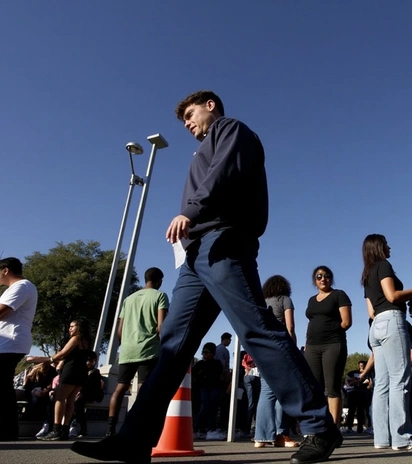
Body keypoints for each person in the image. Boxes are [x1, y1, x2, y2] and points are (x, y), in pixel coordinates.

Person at [71, 90, 342, 464]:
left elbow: (224, 171)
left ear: (210, 106)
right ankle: (133, 440)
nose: (187, 123)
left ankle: (319, 425)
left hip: (223, 240)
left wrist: (192, 211)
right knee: (171, 346)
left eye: (190, 114)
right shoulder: (200, 150)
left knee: (256, 329)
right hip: (196, 255)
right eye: (182, 119)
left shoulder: (231, 130)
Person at [361, 233, 412, 451]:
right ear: (379, 247)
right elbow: (392, 296)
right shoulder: (383, 266)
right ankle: (403, 438)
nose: (389, 247)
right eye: (386, 244)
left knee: (381, 385)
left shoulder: (367, 275)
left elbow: (371, 311)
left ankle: (381, 439)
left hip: (376, 326)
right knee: (400, 380)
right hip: (392, 320)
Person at [107, 267, 169, 437]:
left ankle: (110, 430)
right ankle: (136, 427)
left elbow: (120, 328)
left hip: (127, 349)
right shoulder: (160, 296)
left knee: (120, 387)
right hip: (148, 348)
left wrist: (125, 343)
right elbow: (160, 326)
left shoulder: (129, 299)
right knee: (143, 388)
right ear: (159, 280)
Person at [254, 275, 300, 448]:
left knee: (266, 392)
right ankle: (282, 434)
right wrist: (293, 348)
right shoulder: (285, 300)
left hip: (262, 347)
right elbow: (290, 327)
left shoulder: (262, 301)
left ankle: (261, 436)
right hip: (280, 346)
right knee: (283, 392)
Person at [28, 318, 93, 441]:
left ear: (79, 327)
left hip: (71, 370)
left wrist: (46, 359)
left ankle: (56, 430)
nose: (70, 329)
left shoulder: (76, 338)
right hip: (81, 372)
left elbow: (63, 353)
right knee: (70, 401)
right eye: (69, 326)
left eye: (72, 326)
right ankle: (64, 430)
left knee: (59, 397)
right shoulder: (87, 341)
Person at [304, 265, 352, 425]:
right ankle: (318, 426)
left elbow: (346, 322)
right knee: (315, 388)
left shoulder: (339, 295)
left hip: (333, 345)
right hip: (312, 347)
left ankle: (333, 428)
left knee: (332, 387)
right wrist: (306, 346)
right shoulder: (311, 300)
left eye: (327, 275)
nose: (323, 278)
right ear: (314, 280)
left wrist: (330, 329)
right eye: (319, 276)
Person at [0, 257, 38, 441]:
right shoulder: (20, 287)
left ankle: (7, 429)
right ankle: (8, 429)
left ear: (5, 270)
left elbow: (2, 310)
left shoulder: (21, 286)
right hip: (9, 343)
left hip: (10, 343)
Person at [191, 342, 224, 440]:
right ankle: (199, 428)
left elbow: (220, 376)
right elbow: (194, 375)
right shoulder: (200, 364)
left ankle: (208, 429)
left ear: (212, 353)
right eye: (203, 352)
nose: (204, 354)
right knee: (206, 407)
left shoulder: (217, 363)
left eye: (207, 352)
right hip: (204, 388)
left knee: (212, 408)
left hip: (214, 387)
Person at [71, 351, 105, 438]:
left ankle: (81, 429)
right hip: (81, 393)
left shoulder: (95, 372)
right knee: (74, 401)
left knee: (78, 403)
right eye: (88, 360)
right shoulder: (81, 370)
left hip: (92, 394)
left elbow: (94, 387)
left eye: (91, 361)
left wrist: (81, 393)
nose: (89, 363)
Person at [343, 361, 370, 434]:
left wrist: (356, 381)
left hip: (362, 393)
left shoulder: (368, 373)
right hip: (352, 392)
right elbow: (349, 382)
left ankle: (360, 427)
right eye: (361, 365)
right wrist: (360, 381)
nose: (362, 366)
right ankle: (349, 427)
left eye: (363, 365)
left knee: (361, 410)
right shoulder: (352, 373)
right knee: (351, 410)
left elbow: (369, 382)